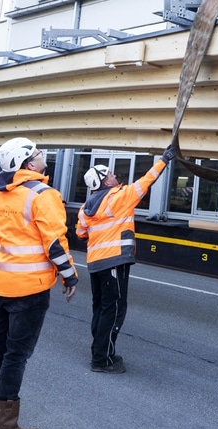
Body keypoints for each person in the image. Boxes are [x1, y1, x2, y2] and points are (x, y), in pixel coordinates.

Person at [0, 137, 78, 429]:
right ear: (29, 164)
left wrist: (9, 263)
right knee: (16, 355)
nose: (44, 156)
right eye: (39, 153)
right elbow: (55, 243)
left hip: (3, 283)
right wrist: (70, 276)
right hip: (32, 288)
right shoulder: (44, 195)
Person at [75, 144, 176, 374]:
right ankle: (101, 360)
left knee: (101, 308)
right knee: (115, 310)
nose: (114, 175)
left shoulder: (85, 207)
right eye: (109, 174)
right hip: (114, 262)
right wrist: (164, 160)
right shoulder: (119, 197)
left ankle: (101, 351)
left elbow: (80, 233)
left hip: (95, 265)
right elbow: (147, 181)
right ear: (104, 181)